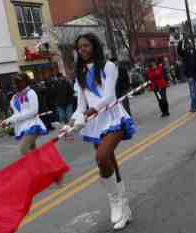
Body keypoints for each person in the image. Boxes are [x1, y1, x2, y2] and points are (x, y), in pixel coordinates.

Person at [67, 33, 136, 230]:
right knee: (109, 162)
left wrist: (87, 113)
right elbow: (80, 105)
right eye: (80, 48)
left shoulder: (108, 66)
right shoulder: (79, 72)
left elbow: (108, 96)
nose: (83, 50)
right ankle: (125, 209)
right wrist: (72, 121)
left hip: (112, 117)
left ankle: (115, 200)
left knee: (101, 156)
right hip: (95, 122)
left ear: (94, 46)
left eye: (86, 46)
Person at [1, 73, 48, 155]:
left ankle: (36, 166)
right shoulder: (15, 97)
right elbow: (17, 113)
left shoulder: (30, 93)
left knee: (24, 150)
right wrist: (7, 120)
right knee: (33, 150)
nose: (16, 84)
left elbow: (33, 112)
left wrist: (14, 119)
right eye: (15, 82)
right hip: (23, 126)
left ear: (25, 82)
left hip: (32, 125)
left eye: (19, 82)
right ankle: (41, 166)